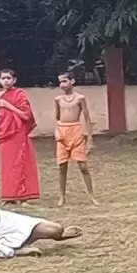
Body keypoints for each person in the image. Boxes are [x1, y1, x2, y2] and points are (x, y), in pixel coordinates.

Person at [0, 68, 41, 205]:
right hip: (4, 133)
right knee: (7, 166)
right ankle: (9, 196)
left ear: (14, 80)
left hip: (17, 133)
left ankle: (23, 196)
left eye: (9, 78)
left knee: (20, 163)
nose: (6, 81)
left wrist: (8, 106)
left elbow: (26, 115)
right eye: (3, 78)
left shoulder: (20, 94)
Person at [54, 72, 97, 206]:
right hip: (62, 131)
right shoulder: (58, 99)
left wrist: (90, 138)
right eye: (60, 82)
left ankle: (91, 195)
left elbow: (87, 118)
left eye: (65, 81)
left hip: (76, 131)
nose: (62, 84)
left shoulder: (80, 98)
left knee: (83, 166)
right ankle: (62, 196)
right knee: (62, 166)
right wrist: (57, 131)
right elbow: (57, 117)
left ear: (72, 81)